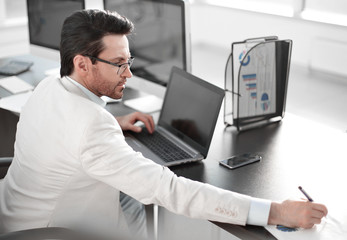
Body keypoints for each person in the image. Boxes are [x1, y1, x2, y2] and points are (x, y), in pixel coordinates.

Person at [0, 9, 327, 238]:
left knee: (129, 198)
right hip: (50, 232)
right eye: (117, 64)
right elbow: (170, 190)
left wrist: (117, 122)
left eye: (129, 61)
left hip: (16, 212)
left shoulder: (49, 87)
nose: (128, 73)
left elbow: (70, 130)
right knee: (150, 194)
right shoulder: (90, 127)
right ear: (82, 64)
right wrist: (277, 212)